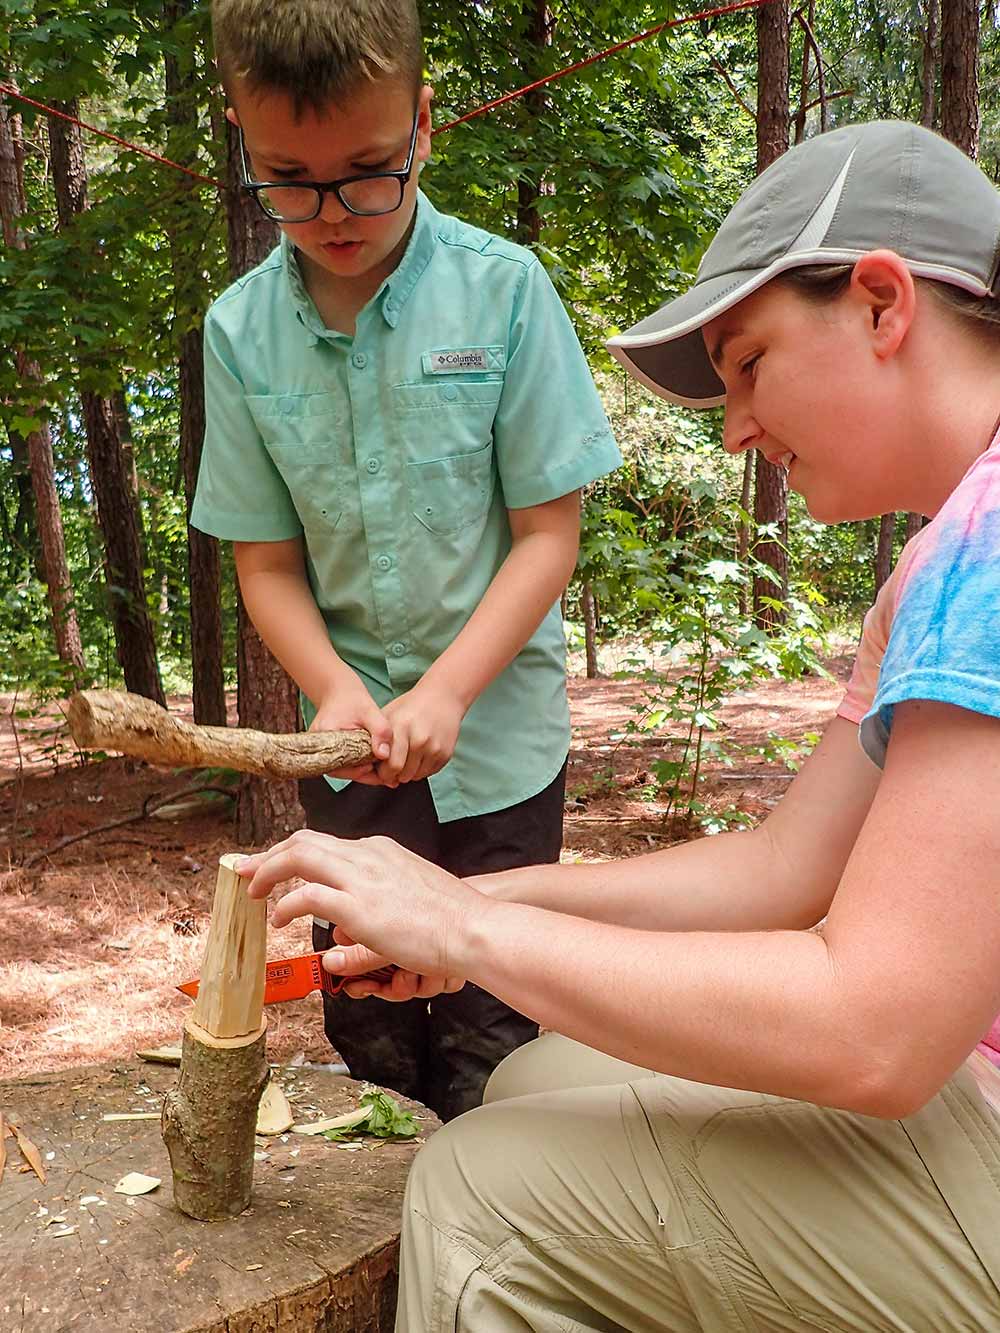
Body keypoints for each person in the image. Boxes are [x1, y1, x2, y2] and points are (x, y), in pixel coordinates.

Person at [238, 117, 1000, 1330]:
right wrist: (477, 908)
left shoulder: (988, 547)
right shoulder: (940, 558)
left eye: (748, 363)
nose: (736, 426)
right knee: (537, 1073)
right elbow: (780, 871)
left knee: (478, 1193)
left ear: (880, 302)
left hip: (962, 1109)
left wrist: (470, 930)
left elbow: (877, 1033)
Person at [190, 0, 621, 1123]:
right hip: (347, 763)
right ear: (243, 140)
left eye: (369, 171)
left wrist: (446, 690)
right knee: (367, 1019)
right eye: (289, 178)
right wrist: (336, 687)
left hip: (501, 749)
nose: (333, 213)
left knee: (497, 1033)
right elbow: (266, 564)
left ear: (422, 125)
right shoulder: (239, 332)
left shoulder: (504, 291)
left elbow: (547, 535)